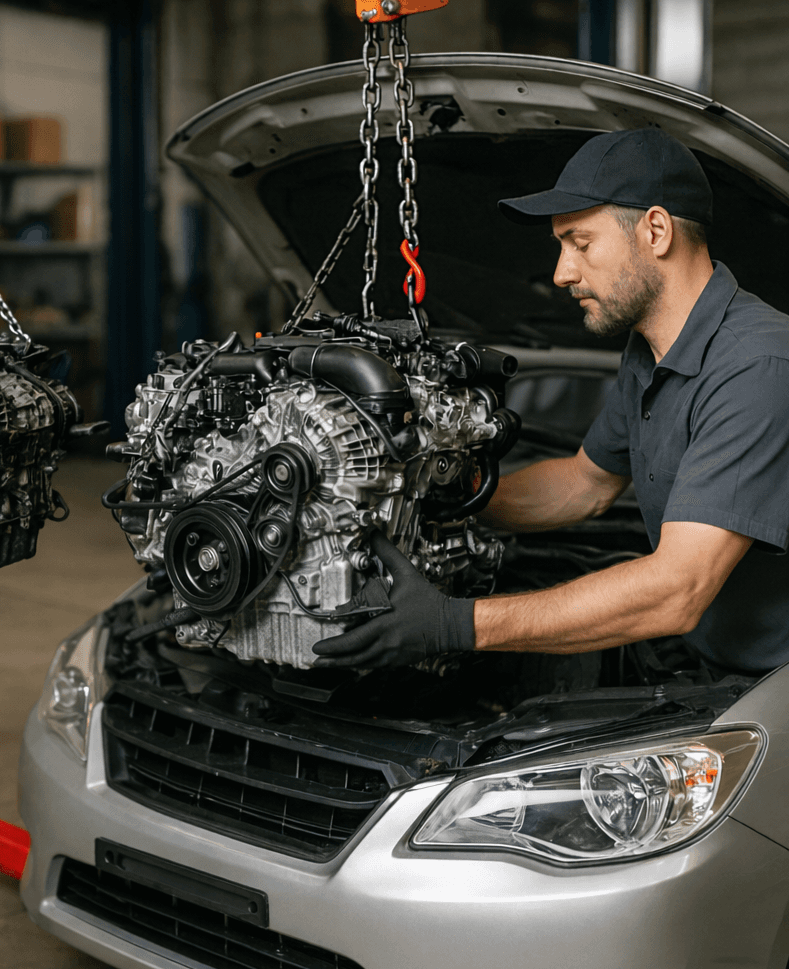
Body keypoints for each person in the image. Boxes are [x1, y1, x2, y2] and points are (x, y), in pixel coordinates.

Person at [313, 127, 789, 677]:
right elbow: (584, 484)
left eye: (581, 244)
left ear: (655, 231)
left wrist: (455, 624)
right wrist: (439, 500)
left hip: (773, 685)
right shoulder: (650, 347)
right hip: (710, 656)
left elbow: (675, 590)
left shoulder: (758, 368)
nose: (562, 272)